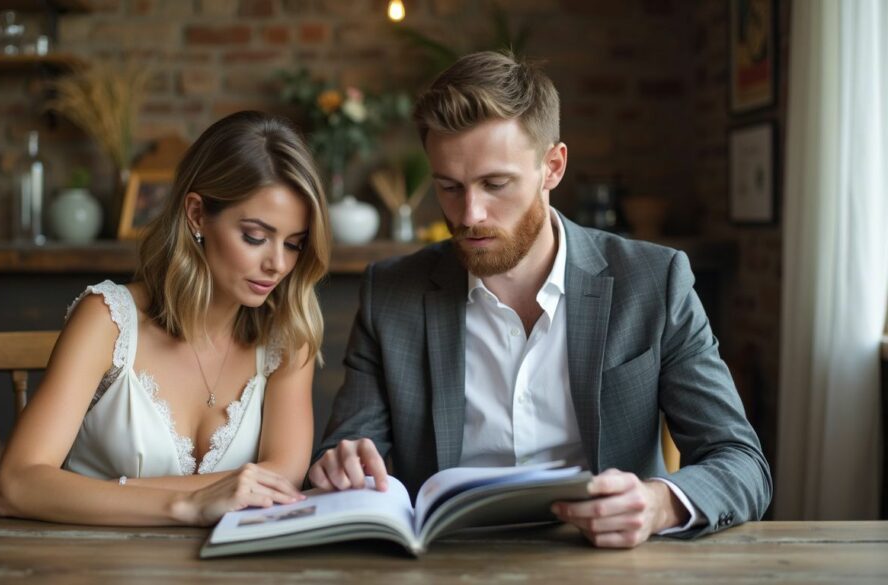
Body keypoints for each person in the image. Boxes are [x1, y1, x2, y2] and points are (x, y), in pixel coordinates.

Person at [308, 52, 772, 548]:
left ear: (552, 167)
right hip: (450, 564)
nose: (470, 214)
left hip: (607, 564)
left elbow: (741, 462)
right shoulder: (391, 294)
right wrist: (342, 467)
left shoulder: (653, 282)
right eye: (449, 187)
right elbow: (348, 455)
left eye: (495, 184)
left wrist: (659, 504)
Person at [0, 111, 331, 526]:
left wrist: (115, 489)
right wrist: (186, 505)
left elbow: (280, 479)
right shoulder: (107, 320)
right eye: (255, 237)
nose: (278, 264)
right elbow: (16, 485)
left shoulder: (287, 337)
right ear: (196, 215)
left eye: (295, 244)